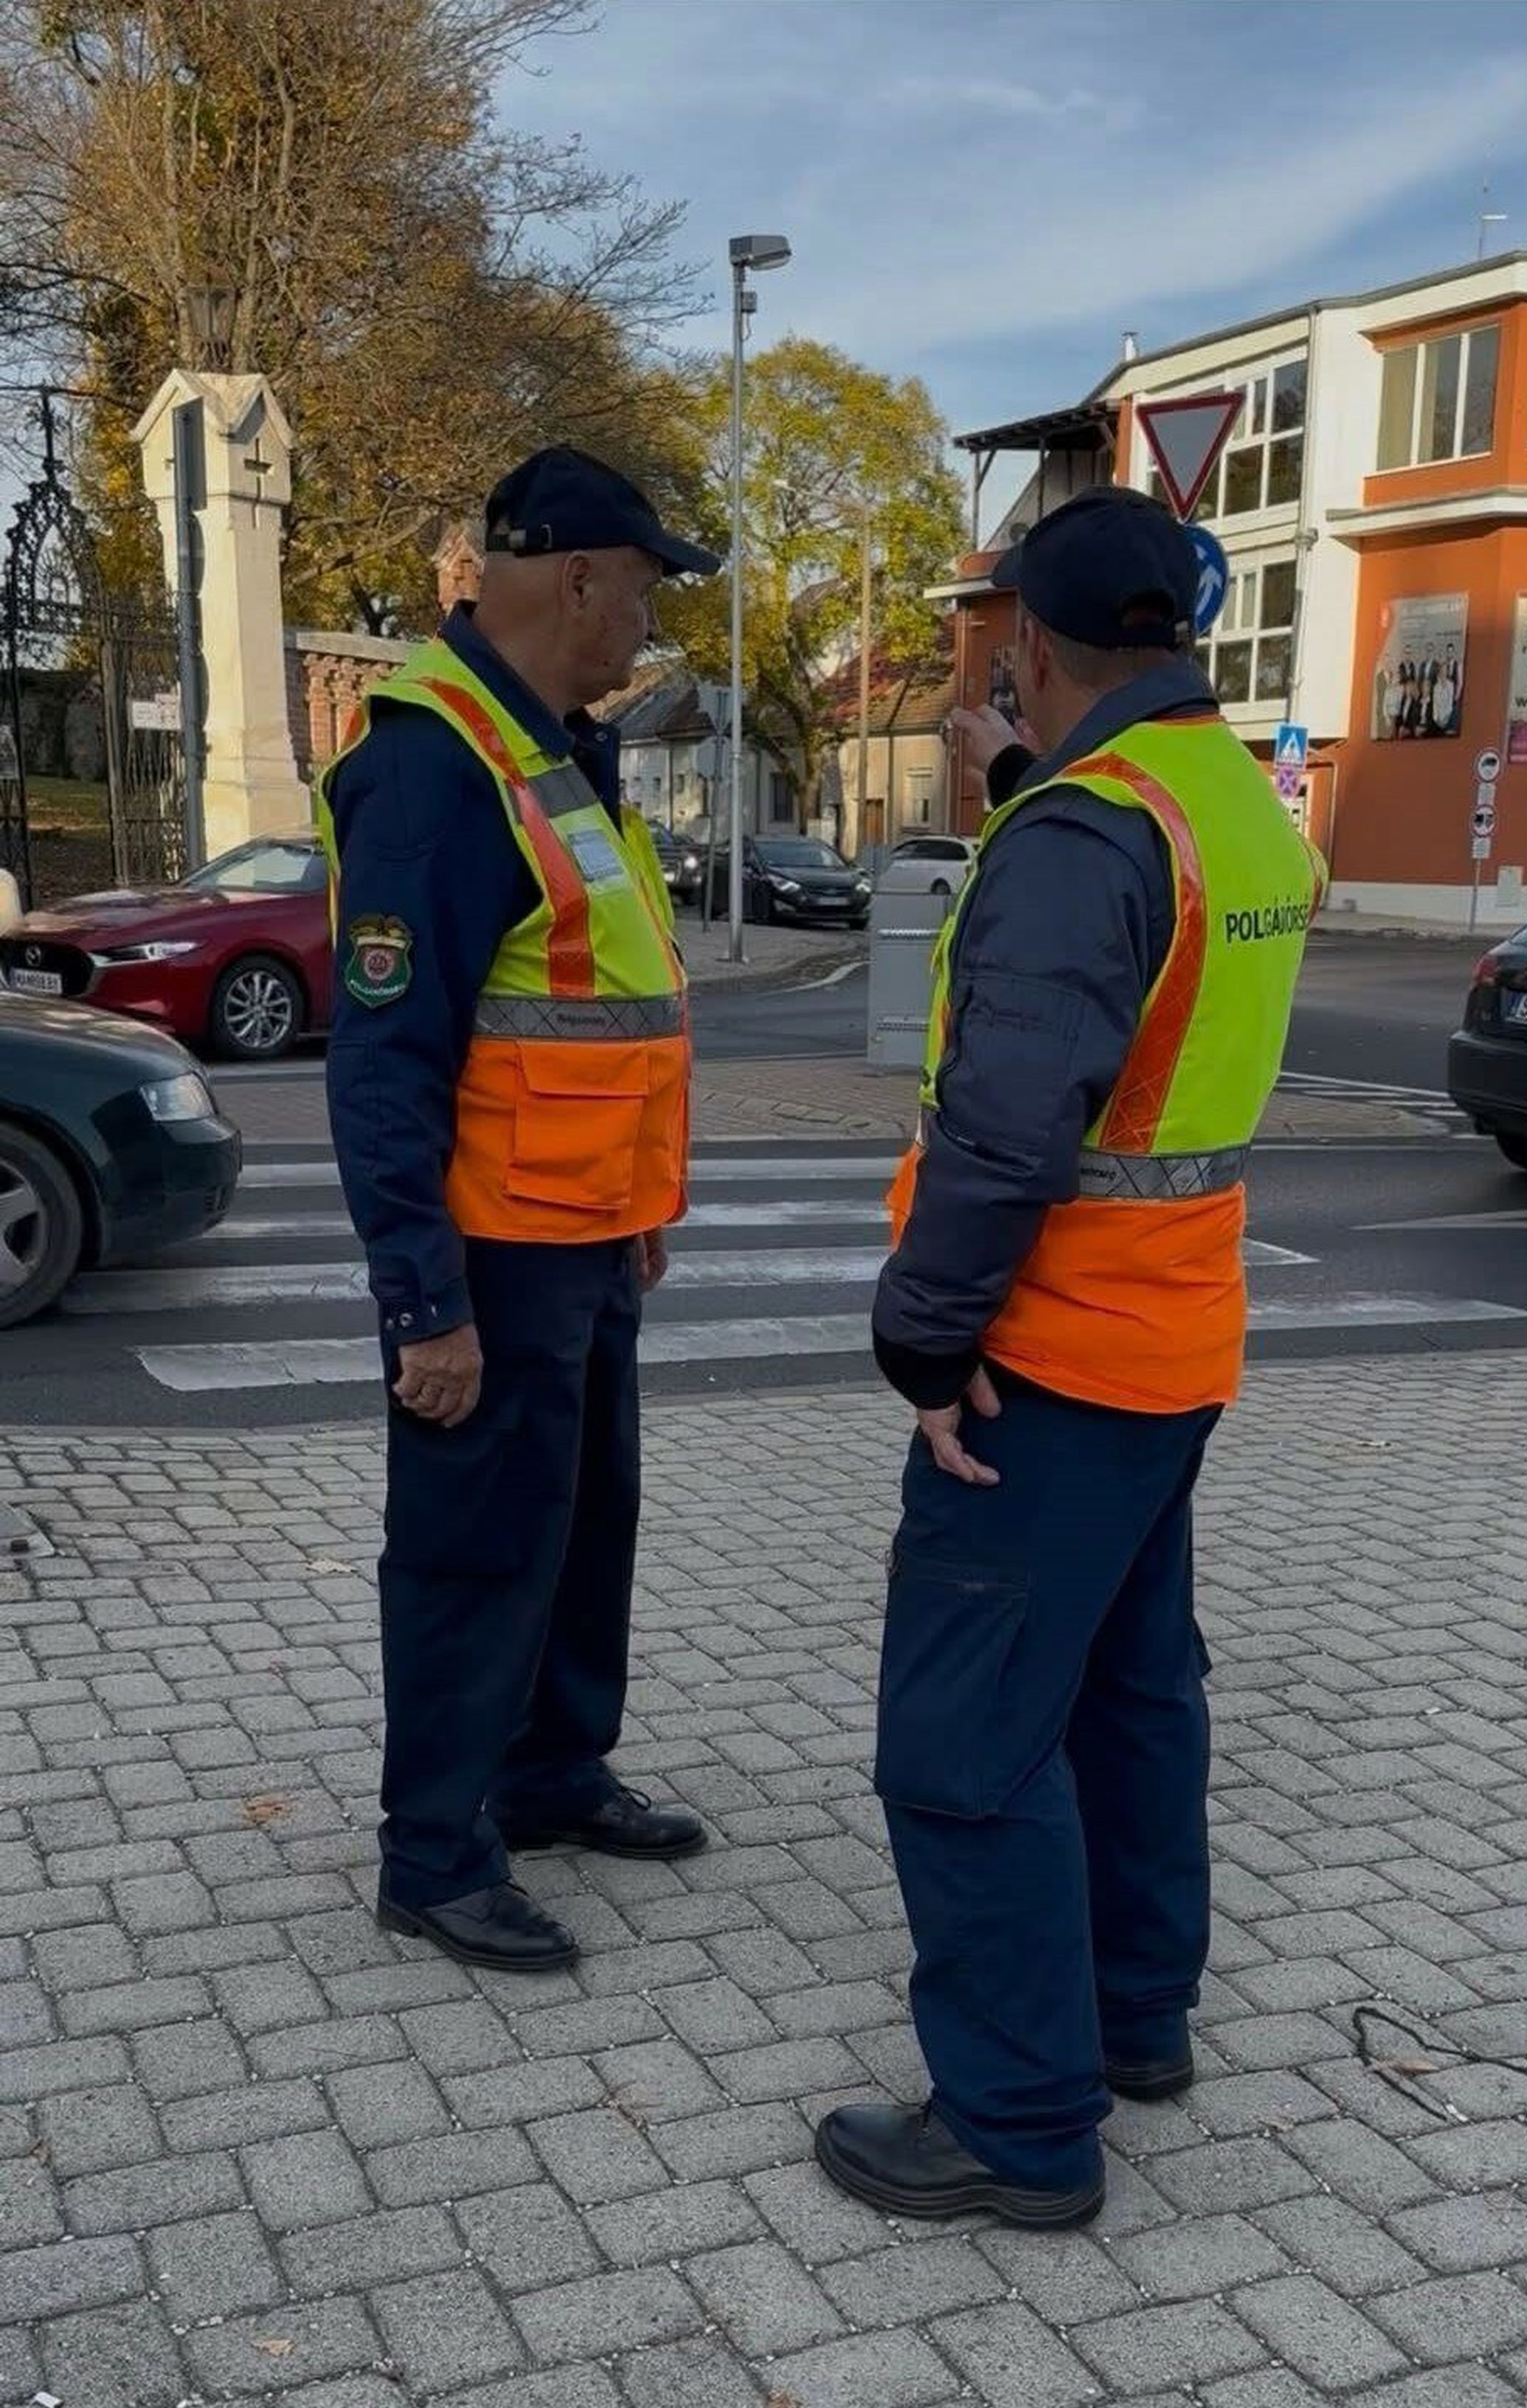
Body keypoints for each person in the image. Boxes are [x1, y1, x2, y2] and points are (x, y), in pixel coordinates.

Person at [815, 485, 1321, 2228]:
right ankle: (1132, 2022)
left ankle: (1020, 2125)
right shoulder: (1231, 803)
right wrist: (1031, 787)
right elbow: (1150, 986)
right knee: (1131, 1695)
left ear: (1028, 641)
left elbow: (1011, 1127)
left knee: (965, 1741)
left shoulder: (1080, 836)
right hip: (1175, 1340)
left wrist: (922, 1340)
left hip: (1046, 1359)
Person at [321, 446, 719, 1974]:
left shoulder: (552, 746)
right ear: (579, 578)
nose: (652, 618)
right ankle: (433, 1852)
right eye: (647, 588)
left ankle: (552, 1771)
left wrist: (637, 1203)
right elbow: (386, 1063)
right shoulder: (438, 763)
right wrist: (424, 1302)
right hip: (491, 1253)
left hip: (585, 1237)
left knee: (581, 1528)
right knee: (472, 1551)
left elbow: (602, 1005)